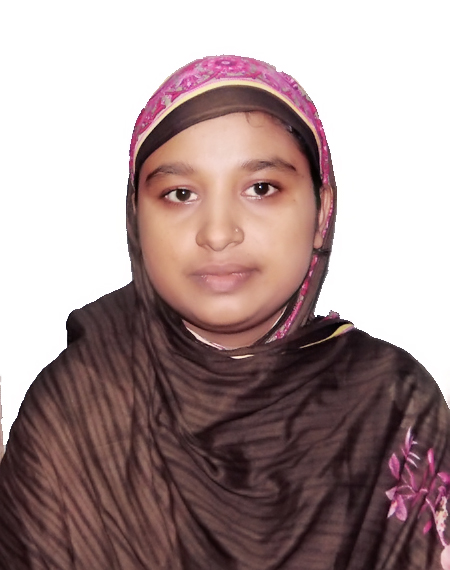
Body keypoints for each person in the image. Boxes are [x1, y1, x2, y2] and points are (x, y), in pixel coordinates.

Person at [0, 55, 449, 570]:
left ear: (322, 209)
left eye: (261, 189)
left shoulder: (394, 404)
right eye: (180, 194)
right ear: (136, 217)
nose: (217, 233)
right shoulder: (75, 411)